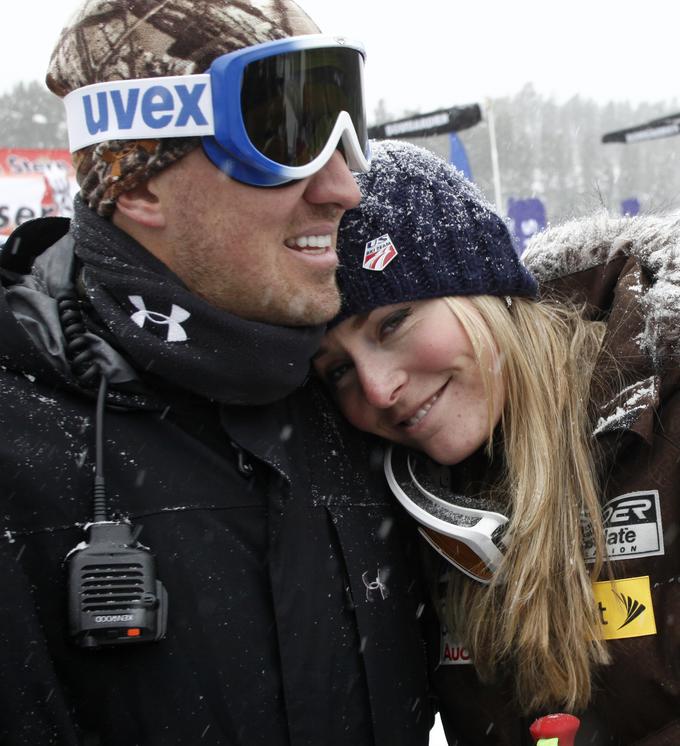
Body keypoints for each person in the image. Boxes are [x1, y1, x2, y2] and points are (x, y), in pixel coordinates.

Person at [0, 5, 433, 744]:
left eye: (343, 130)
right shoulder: (21, 448)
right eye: (285, 136)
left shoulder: (364, 393)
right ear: (137, 185)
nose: (342, 188)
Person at [314, 139, 680, 745]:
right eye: (337, 370)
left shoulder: (665, 403)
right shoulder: (404, 500)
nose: (379, 390)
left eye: (394, 322)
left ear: (483, 288)